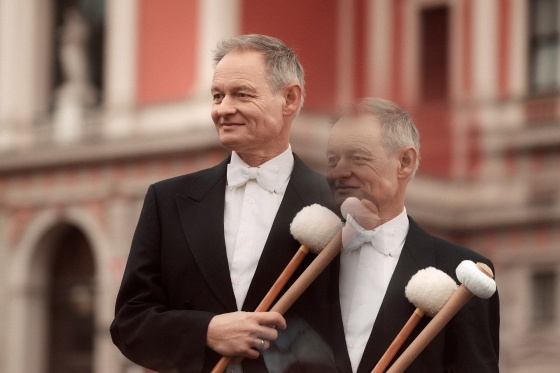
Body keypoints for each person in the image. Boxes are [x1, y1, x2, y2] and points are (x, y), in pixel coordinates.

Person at [110, 34, 336, 373]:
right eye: (218, 95)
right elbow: (129, 324)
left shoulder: (342, 207)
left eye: (241, 94)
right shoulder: (167, 200)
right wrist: (206, 330)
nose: (223, 109)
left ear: (289, 98)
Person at [325, 98, 500, 373]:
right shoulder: (301, 262)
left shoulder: (460, 275)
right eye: (332, 160)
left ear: (404, 162)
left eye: (357, 157)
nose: (337, 172)